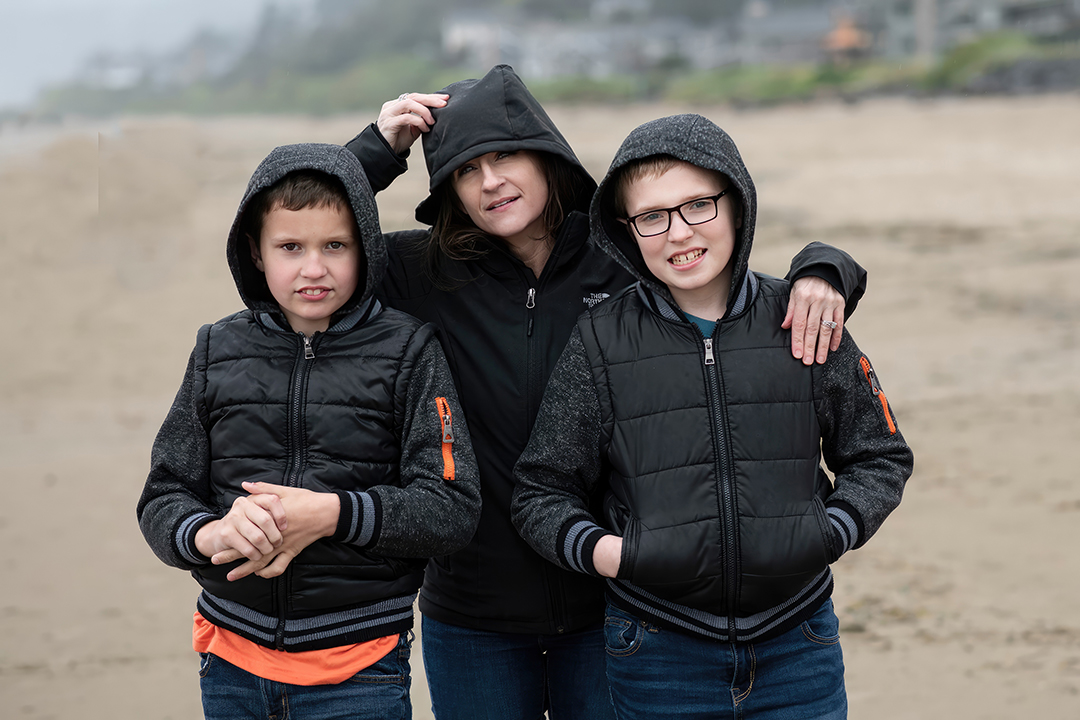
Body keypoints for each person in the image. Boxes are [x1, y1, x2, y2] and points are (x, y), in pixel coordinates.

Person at [242, 64, 867, 719]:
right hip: (471, 608)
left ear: (547, 154)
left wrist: (826, 268)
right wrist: (376, 150)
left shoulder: (622, 259)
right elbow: (285, 282)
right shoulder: (416, 273)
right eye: (465, 168)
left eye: (506, 154)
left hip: (611, 606)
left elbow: (715, 261)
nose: (490, 181)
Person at [510, 113, 914, 719]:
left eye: (698, 205)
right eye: (652, 216)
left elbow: (880, 454)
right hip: (655, 651)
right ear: (627, 230)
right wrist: (612, 555)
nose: (678, 233)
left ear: (737, 204)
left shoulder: (802, 319)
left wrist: (830, 531)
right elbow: (541, 490)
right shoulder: (600, 341)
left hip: (798, 644)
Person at [136, 143, 481, 720]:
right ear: (256, 252)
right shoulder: (217, 349)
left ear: (366, 250)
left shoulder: (410, 351)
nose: (313, 268)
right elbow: (163, 494)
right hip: (230, 660)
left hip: (361, 665)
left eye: (335, 247)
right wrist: (210, 535)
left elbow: (451, 505)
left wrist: (333, 514)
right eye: (290, 248)